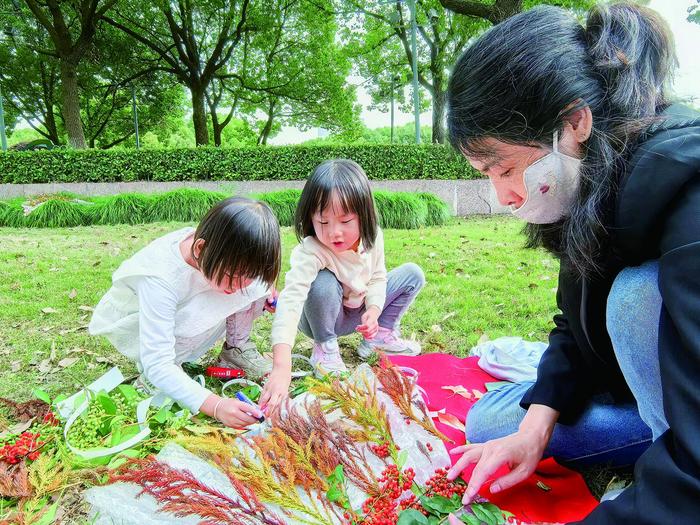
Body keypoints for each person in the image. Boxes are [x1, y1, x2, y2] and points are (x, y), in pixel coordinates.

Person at [443, 2, 700, 523]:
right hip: (638, 385)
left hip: (684, 411)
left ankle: (657, 456)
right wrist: (533, 432)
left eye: (506, 169)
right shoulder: (590, 183)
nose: (503, 197)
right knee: (491, 424)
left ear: (574, 121)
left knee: (632, 298)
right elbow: (572, 323)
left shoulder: (687, 193)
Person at [89, 197, 281, 428]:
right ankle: (156, 380)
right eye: (233, 276)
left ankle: (236, 348)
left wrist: (265, 290)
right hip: (142, 333)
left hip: (185, 316)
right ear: (200, 248)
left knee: (256, 288)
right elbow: (158, 362)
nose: (240, 286)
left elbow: (254, 281)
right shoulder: (160, 279)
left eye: (249, 276)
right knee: (163, 370)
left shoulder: (220, 251)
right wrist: (216, 405)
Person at [258, 159, 425, 410]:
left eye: (346, 222)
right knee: (323, 281)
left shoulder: (373, 236)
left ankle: (379, 336)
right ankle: (325, 348)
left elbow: (378, 276)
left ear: (364, 215)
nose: (335, 232)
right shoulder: (312, 250)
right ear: (310, 218)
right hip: (322, 317)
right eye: (323, 222)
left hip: (357, 313)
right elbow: (291, 300)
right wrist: (281, 366)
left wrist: (374, 311)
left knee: (412, 274)